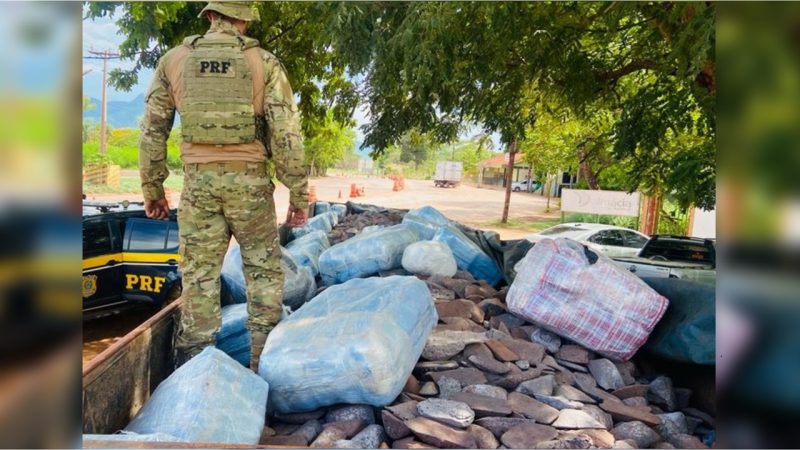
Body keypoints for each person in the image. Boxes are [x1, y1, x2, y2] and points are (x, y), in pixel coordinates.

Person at [138, 1, 308, 370]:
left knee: (199, 278)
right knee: (263, 274)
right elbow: (286, 135)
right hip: (250, 185)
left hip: (198, 185)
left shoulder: (173, 61)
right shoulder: (265, 63)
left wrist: (153, 190)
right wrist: (298, 193)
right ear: (244, 21)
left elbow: (152, 131)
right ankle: (262, 366)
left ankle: (195, 373)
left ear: (211, 16)